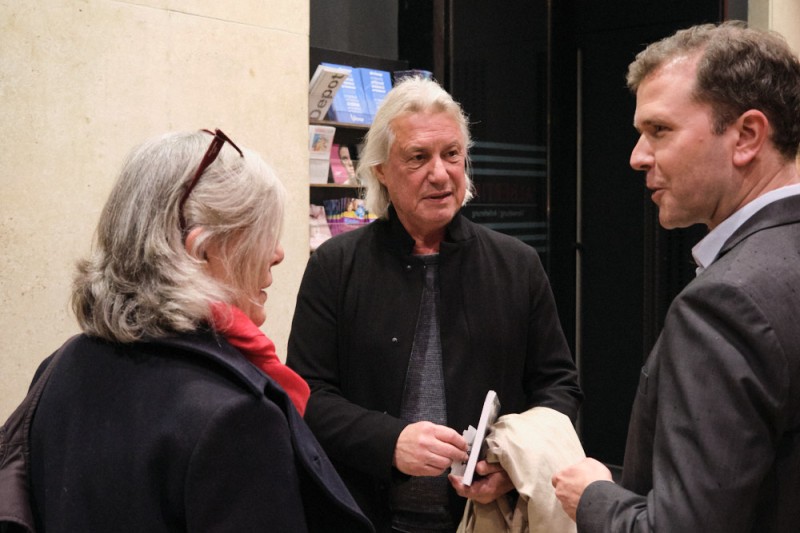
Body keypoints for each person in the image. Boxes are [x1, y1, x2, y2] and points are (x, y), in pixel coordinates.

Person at [27, 129, 374, 532]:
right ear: (200, 251)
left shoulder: (59, 368)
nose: (277, 254)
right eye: (262, 233)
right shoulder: (235, 417)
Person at [287, 77, 582, 532]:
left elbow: (558, 388)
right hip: (364, 513)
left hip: (483, 519)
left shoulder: (516, 265)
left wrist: (515, 465)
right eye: (418, 157)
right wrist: (391, 441)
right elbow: (308, 395)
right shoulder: (335, 266)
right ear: (382, 170)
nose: (441, 173)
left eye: (451, 153)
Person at [552, 21, 800, 532]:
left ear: (747, 136)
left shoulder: (726, 301)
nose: (637, 156)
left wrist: (592, 496)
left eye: (659, 131)